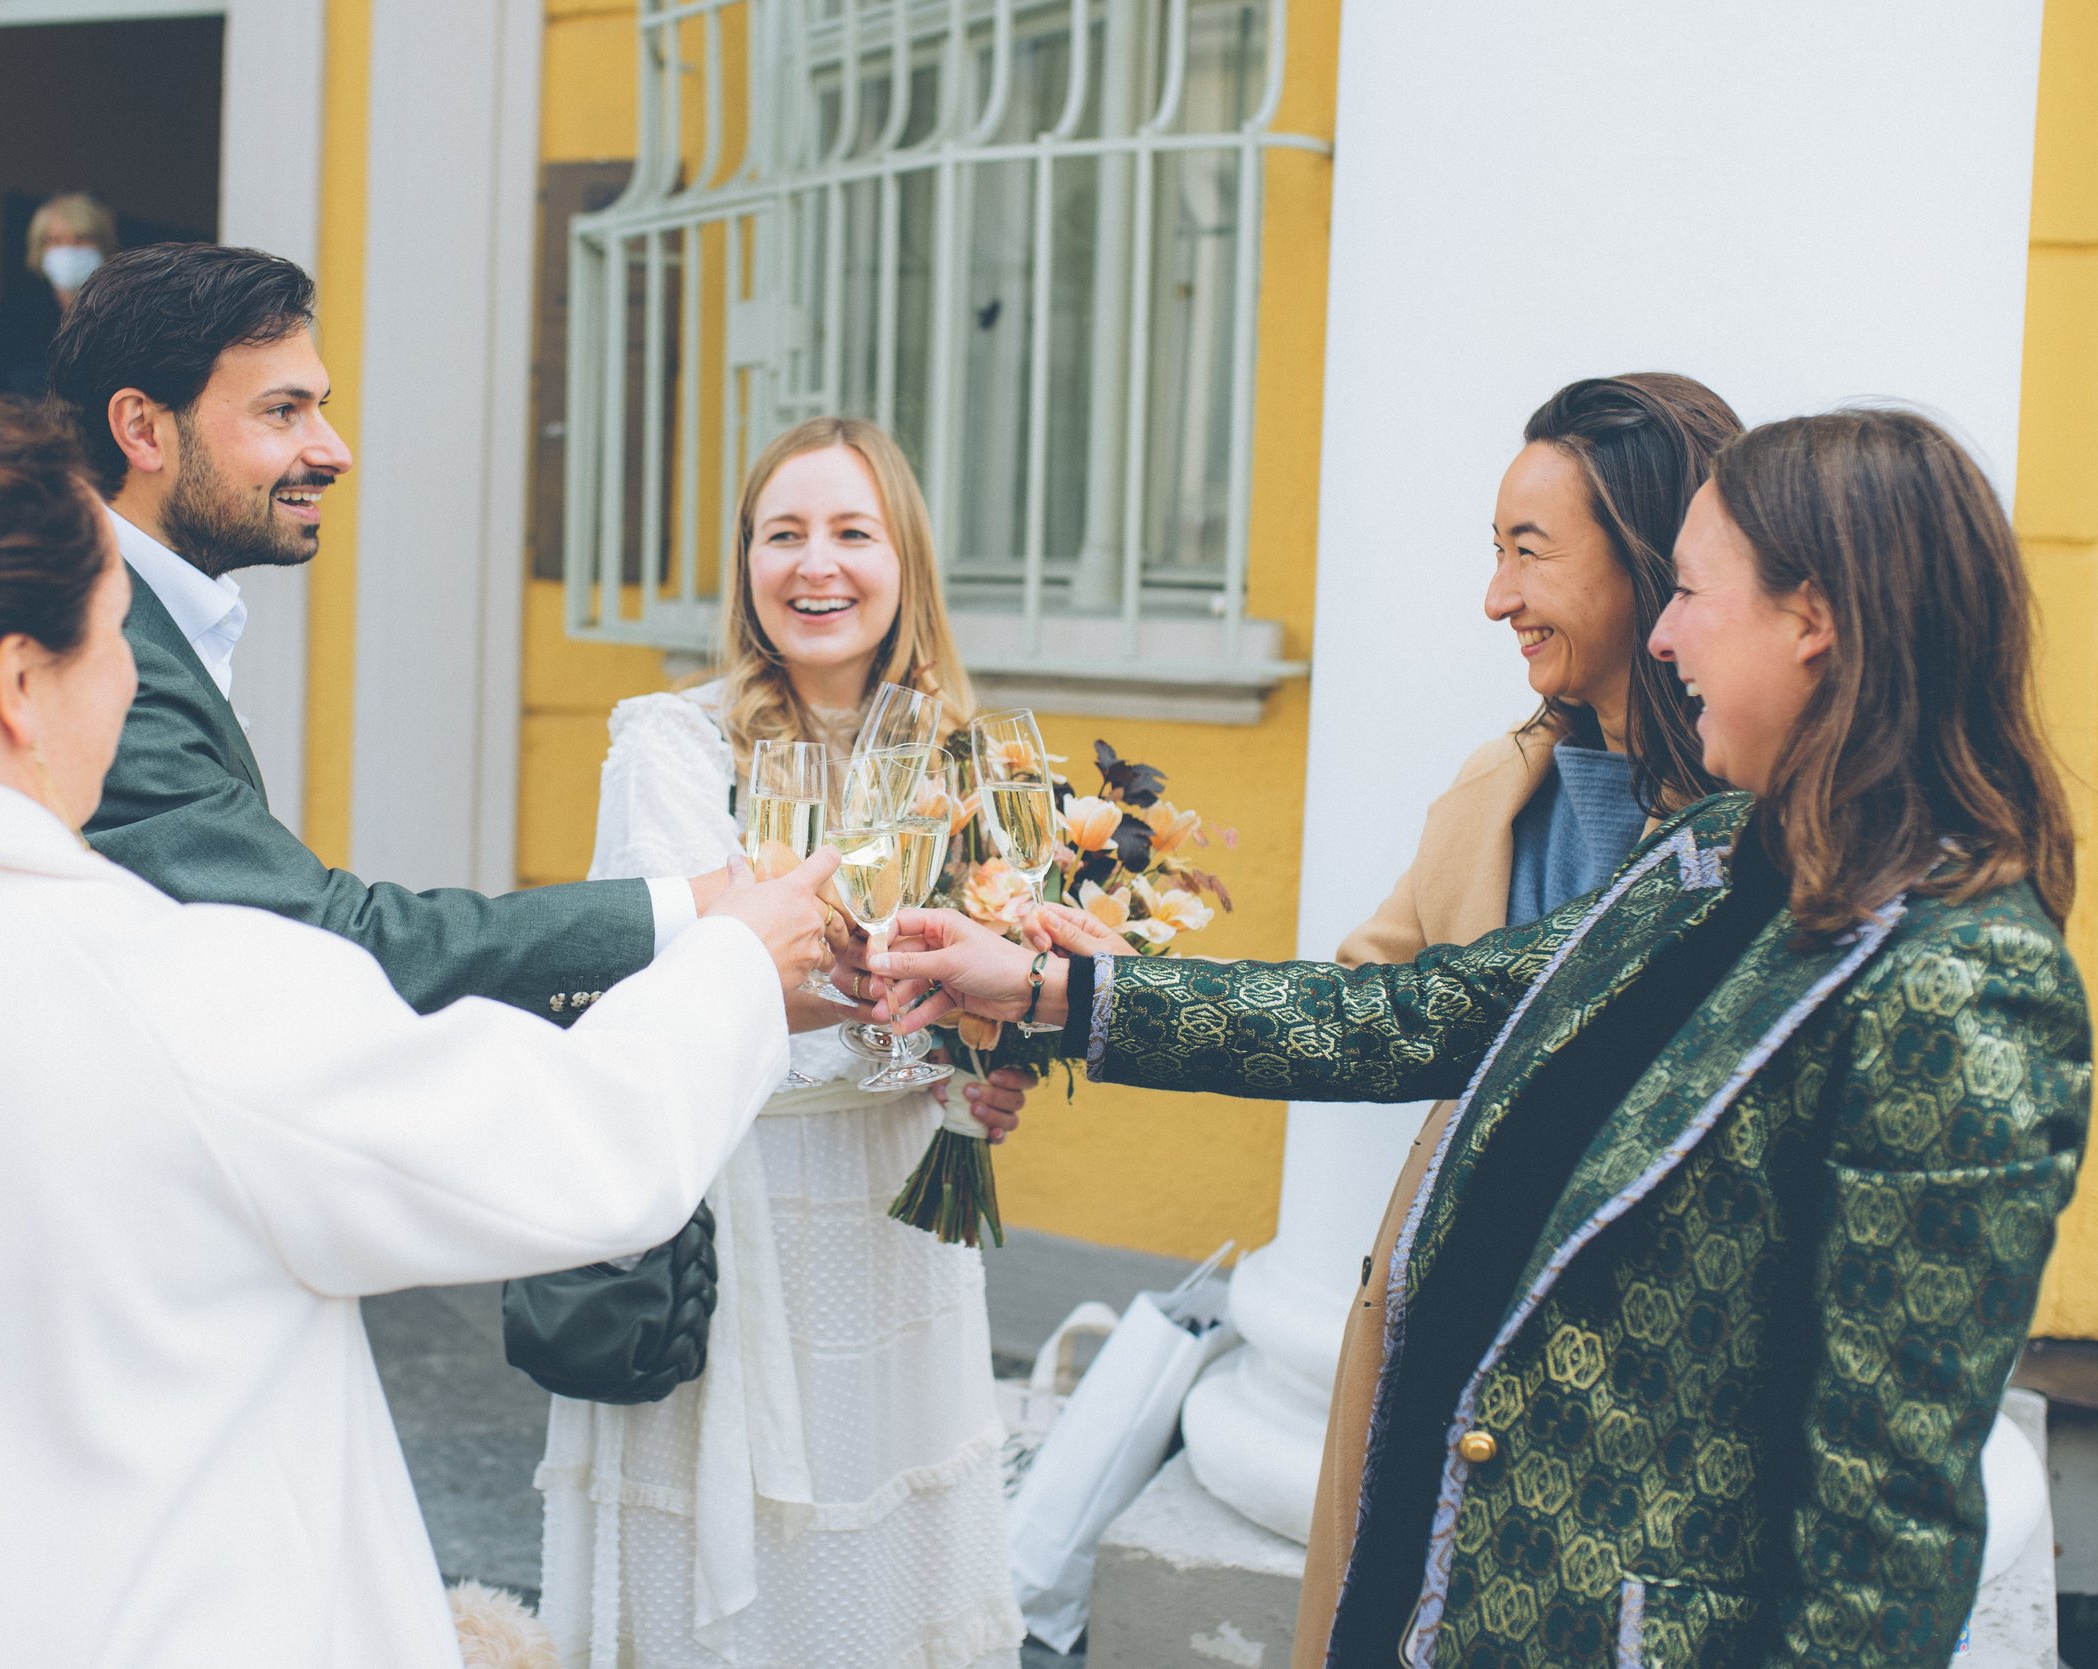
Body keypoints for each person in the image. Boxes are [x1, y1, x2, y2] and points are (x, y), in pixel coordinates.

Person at [0, 373, 837, 1668]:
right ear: (22, 682)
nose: (134, 684)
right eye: (119, 634)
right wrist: (740, 961)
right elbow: (593, 1151)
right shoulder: (178, 999)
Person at [874, 407, 2089, 1669]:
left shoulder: (1961, 984)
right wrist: (1048, 989)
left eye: (1688, 593)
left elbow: (1883, 1532)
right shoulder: (1720, 852)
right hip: (1442, 1590)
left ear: (1815, 617)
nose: (1665, 634)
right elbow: (1410, 1013)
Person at [536, 417, 1032, 1669]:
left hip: (898, 1220)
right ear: (746, 563)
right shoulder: (674, 741)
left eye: (852, 533)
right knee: (744, 1557)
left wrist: (991, 1051)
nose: (818, 565)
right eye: (784, 534)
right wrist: (926, 1008)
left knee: (882, 1542)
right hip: (737, 1207)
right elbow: (683, 986)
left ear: (904, 561)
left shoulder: (966, 763)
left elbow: (965, 986)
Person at [45, 243, 795, 1031]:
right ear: (142, 427)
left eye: (320, 407)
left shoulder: (132, 612)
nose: (334, 451)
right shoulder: (93, 649)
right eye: (282, 410)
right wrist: (703, 906)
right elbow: (322, 946)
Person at [1284, 372, 1739, 1655]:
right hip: (1434, 1374)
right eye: (1495, 552)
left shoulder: (1756, 839)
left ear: (1647, 564)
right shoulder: (1497, 789)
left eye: (1527, 553)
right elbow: (1375, 1009)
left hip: (1614, 1439)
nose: (1496, 598)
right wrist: (1090, 983)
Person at [0, 190, 117, 398]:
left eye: (81, 239)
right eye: (56, 240)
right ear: (40, 250)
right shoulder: (7, 321)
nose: (69, 249)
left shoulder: (123, 319)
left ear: (103, 246)